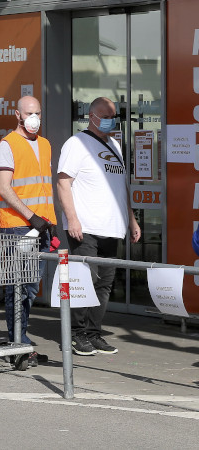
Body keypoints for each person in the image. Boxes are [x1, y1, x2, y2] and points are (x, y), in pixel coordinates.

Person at [57, 97, 141, 356]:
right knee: (85, 281)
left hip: (111, 227)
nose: (110, 120)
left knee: (104, 284)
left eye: (113, 116)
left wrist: (131, 218)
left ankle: (94, 333)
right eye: (105, 115)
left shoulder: (115, 144)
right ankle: (77, 334)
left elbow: (121, 186)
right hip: (86, 227)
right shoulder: (76, 143)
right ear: (91, 116)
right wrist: (72, 218)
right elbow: (63, 182)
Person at [0, 95, 56, 367]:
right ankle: (17, 342)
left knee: (30, 287)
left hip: (41, 226)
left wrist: (49, 223)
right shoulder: (8, 145)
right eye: (29, 113)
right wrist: (32, 217)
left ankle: (21, 340)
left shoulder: (45, 144)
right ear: (17, 115)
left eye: (38, 113)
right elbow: (4, 187)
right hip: (19, 226)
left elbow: (43, 187)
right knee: (18, 288)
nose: (34, 118)